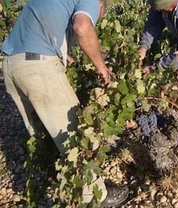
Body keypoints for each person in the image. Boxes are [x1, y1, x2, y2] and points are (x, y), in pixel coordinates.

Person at [1, 0, 128, 207]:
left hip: (11, 66)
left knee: (43, 132)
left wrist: (64, 57)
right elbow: (82, 27)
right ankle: (95, 198)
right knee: (76, 136)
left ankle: (57, 178)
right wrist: (102, 68)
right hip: (38, 68)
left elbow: (40, 31)